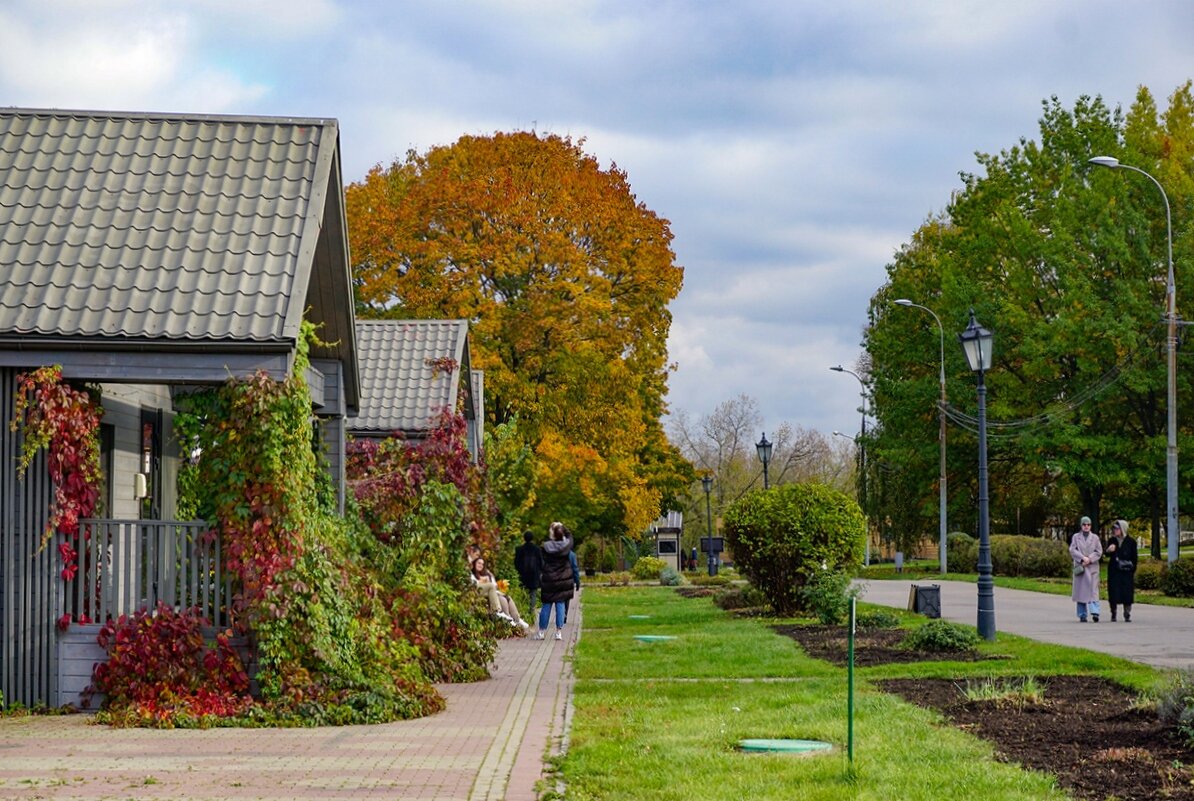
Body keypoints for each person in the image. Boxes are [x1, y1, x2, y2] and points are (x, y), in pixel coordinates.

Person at [536, 521, 574, 640]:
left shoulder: (546, 547)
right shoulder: (566, 546)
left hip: (549, 578)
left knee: (546, 604)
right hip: (563, 578)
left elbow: (541, 561)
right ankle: (558, 632)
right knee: (560, 604)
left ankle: (541, 631)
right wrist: (561, 526)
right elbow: (570, 536)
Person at [470, 556, 529, 630]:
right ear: (474, 563)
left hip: (492, 594)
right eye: (478, 563)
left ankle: (516, 619)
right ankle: (499, 612)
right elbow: (474, 585)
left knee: (506, 598)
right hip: (479, 593)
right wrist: (484, 581)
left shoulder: (487, 574)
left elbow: (495, 586)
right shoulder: (472, 574)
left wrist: (491, 581)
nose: (480, 565)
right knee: (497, 594)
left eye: (482, 564)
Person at [1070, 516, 1103, 622]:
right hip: (1081, 567)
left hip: (1092, 567)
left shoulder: (1095, 538)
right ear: (1081, 526)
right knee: (1081, 592)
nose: (1086, 526)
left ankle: (1095, 612)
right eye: (1084, 524)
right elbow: (1072, 550)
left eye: (1088, 524)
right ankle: (1082, 614)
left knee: (1093, 591)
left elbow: (1099, 551)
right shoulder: (1076, 537)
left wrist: (1090, 558)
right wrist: (1082, 558)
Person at [1105, 518, 1137, 622]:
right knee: (1113, 592)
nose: (1115, 530)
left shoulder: (1131, 542)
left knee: (1127, 593)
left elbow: (1134, 558)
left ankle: (1127, 613)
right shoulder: (1112, 540)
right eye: (1114, 528)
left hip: (1126, 571)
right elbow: (1106, 554)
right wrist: (1109, 550)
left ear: (1122, 529)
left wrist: (1132, 569)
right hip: (1114, 571)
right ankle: (1113, 613)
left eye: (1117, 528)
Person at [514, 530, 544, 616]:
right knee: (533, 594)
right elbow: (541, 563)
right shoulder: (537, 549)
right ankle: (531, 611)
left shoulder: (519, 549)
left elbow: (516, 562)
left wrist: (519, 571)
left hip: (523, 575)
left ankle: (523, 610)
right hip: (534, 575)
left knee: (523, 593)